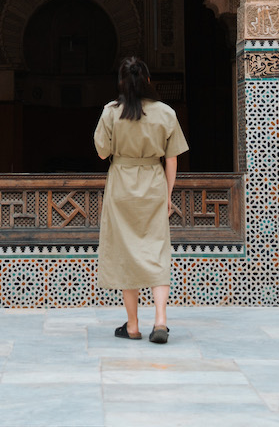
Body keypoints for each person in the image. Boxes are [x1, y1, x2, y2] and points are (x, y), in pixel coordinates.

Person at [94, 56, 189, 344]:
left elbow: (101, 153)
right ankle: (160, 320)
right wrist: (168, 194)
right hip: (153, 184)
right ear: (148, 81)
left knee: (126, 254)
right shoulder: (166, 113)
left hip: (121, 185)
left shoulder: (111, 112)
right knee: (157, 251)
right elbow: (171, 159)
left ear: (121, 83)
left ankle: (133, 325)